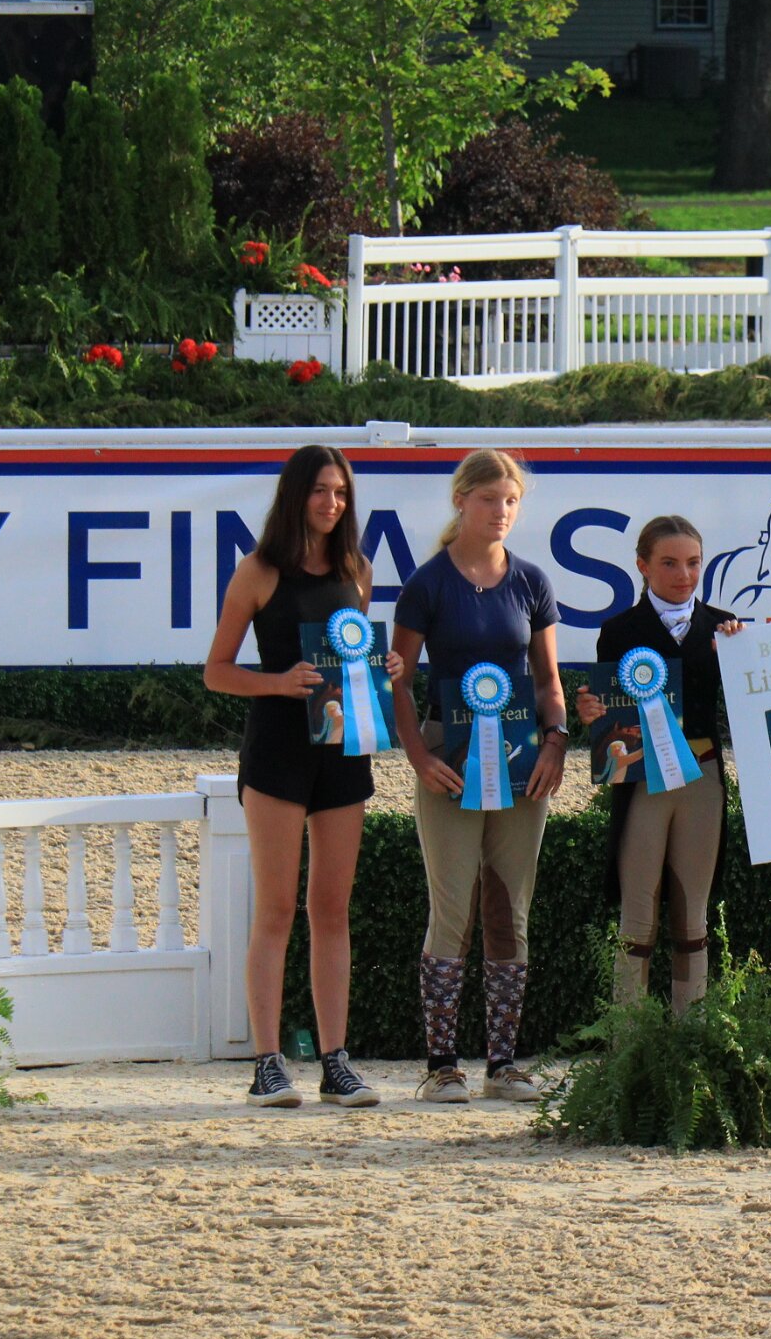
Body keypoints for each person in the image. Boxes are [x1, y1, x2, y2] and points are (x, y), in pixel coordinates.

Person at [203, 444, 402, 1108]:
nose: (331, 503)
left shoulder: (357, 569)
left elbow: (353, 664)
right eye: (320, 490)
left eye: (341, 492)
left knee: (332, 909)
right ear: (295, 495)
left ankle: (335, 1061)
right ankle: (266, 1062)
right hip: (277, 753)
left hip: (343, 752)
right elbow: (216, 671)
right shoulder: (258, 571)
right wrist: (277, 683)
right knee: (276, 908)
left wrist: (385, 671)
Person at [390, 449, 569, 1103]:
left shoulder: (532, 582)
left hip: (523, 760)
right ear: (461, 500)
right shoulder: (427, 585)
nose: (501, 511)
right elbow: (398, 680)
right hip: (449, 758)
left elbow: (548, 681)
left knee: (510, 907)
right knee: (451, 907)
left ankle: (503, 1064)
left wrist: (556, 743)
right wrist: (419, 757)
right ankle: (441, 1065)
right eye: (489, 498)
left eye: (511, 500)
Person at [576, 515, 742, 1018]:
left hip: (703, 777)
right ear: (643, 566)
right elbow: (609, 715)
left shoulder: (725, 627)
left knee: (693, 917)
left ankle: (690, 1036)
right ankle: (630, 1041)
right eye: (669, 563)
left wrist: (743, 654)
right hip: (643, 780)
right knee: (638, 917)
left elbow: (753, 702)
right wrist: (590, 712)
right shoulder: (618, 631)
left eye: (693, 563)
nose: (683, 575)